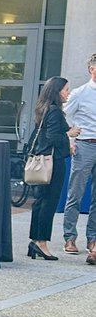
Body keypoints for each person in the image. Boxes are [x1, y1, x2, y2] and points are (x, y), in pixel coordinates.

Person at [27, 77, 80, 261]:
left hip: (43, 160)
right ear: (57, 91)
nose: (68, 93)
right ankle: (41, 243)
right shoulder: (55, 111)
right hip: (52, 162)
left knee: (40, 201)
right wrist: (69, 134)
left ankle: (34, 241)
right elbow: (51, 137)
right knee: (49, 202)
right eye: (66, 89)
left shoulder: (43, 108)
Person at [63, 52, 96, 263]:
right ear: (92, 69)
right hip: (85, 145)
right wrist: (70, 141)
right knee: (75, 193)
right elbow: (65, 117)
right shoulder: (80, 93)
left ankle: (93, 239)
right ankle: (69, 237)